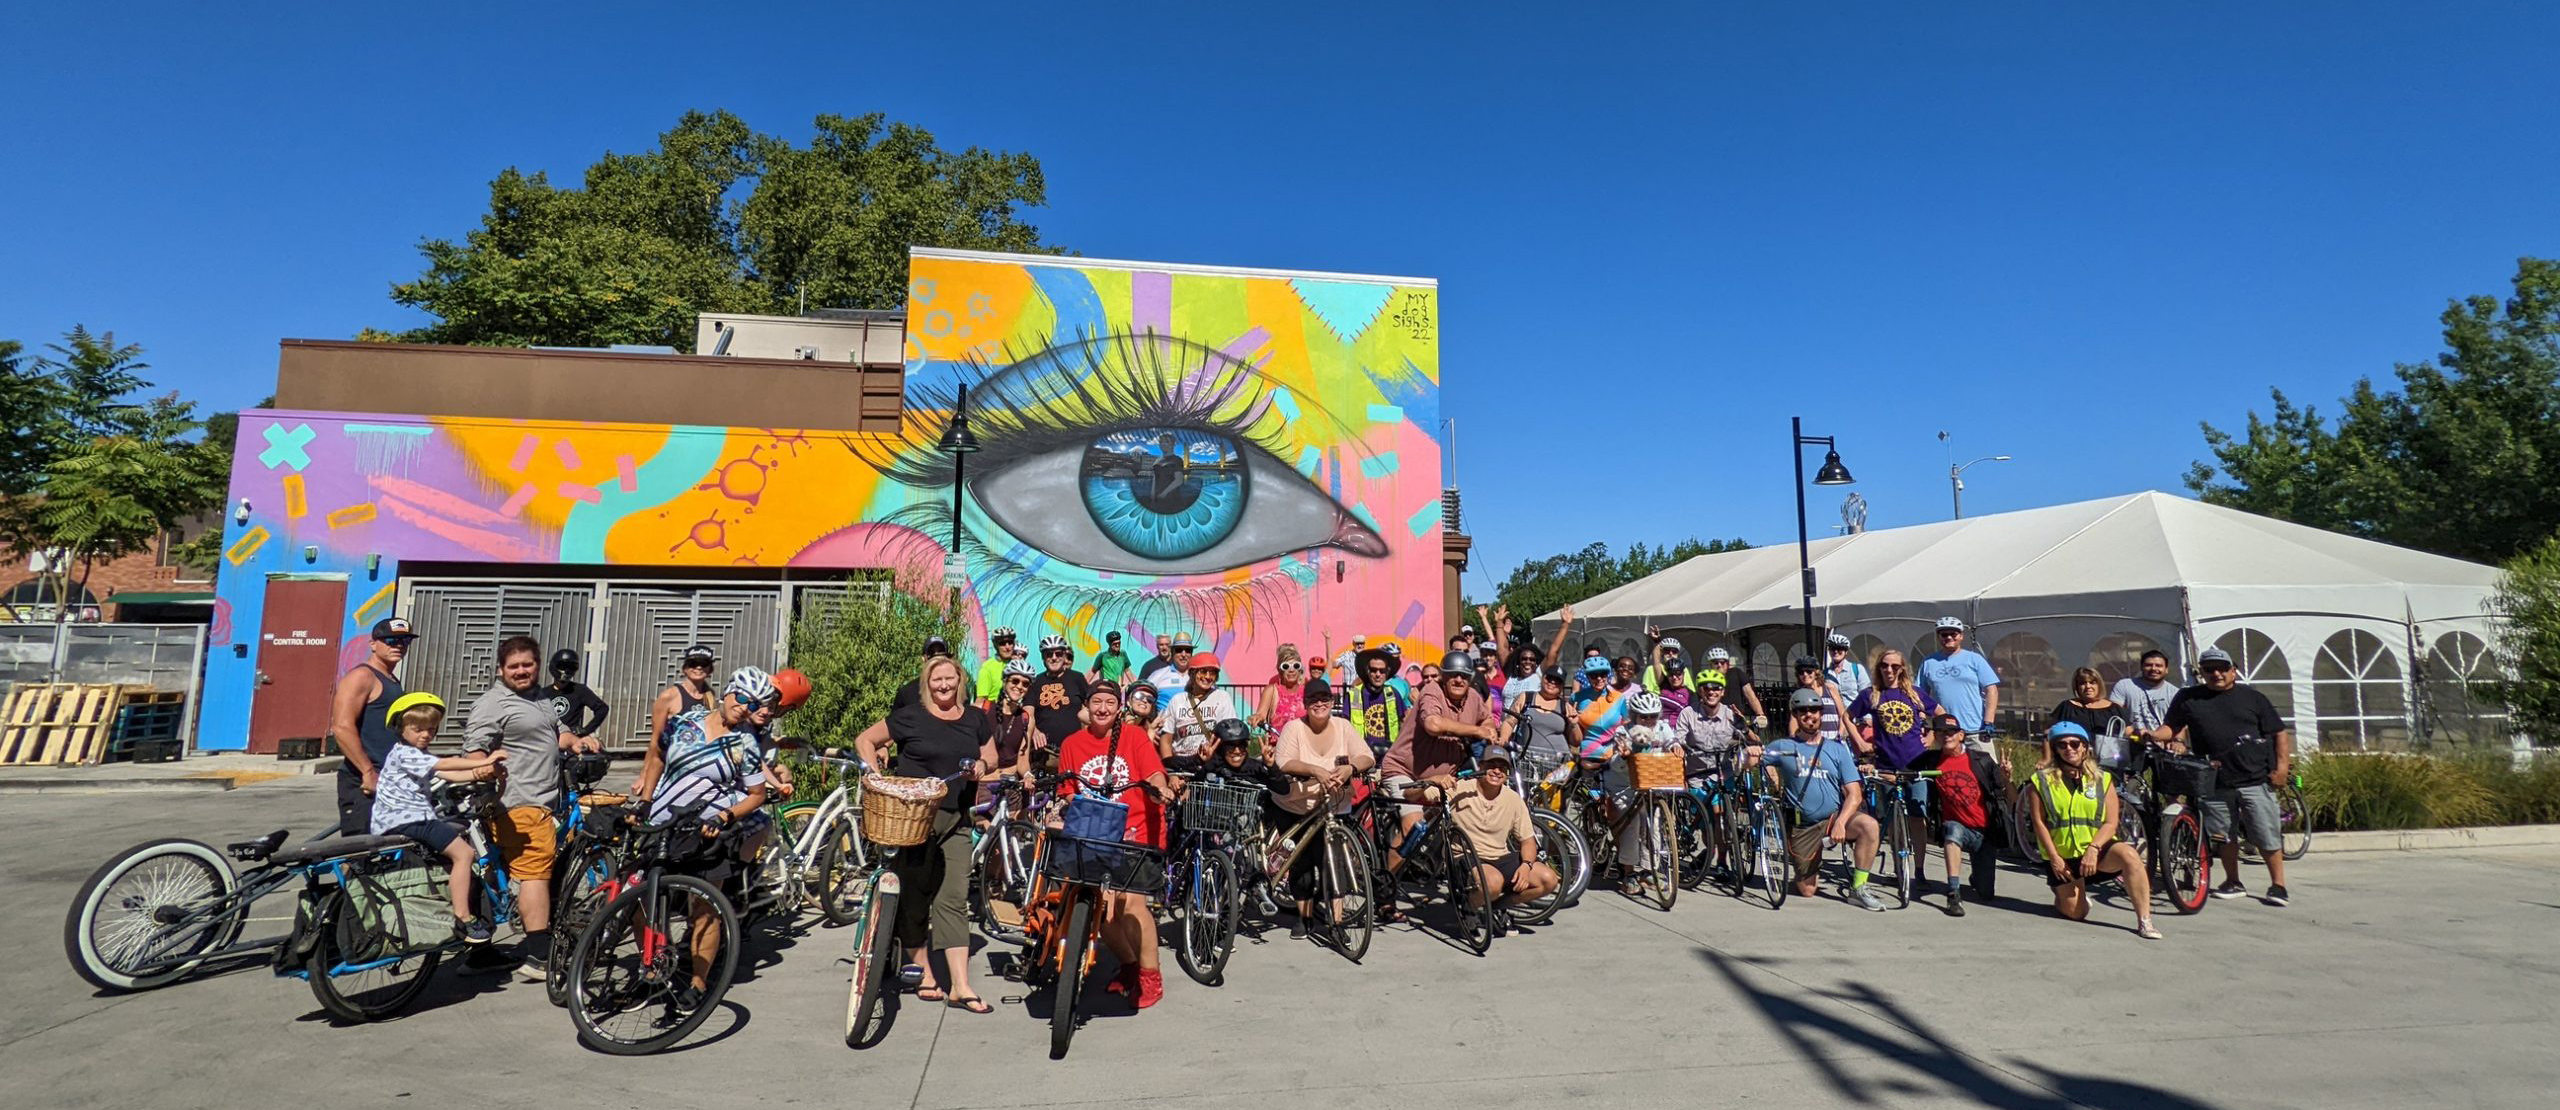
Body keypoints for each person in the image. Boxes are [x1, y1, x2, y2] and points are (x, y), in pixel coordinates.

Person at [853, 654, 998, 1013]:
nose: (944, 685)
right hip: (913, 817)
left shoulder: (974, 718)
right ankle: (925, 973)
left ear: (960, 681)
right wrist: (875, 776)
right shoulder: (911, 716)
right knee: (915, 894)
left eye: (950, 679)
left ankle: (961, 985)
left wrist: (981, 765)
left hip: (956, 818)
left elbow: (990, 756)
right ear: (927, 684)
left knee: (953, 896)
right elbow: (865, 740)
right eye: (937, 680)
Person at [464, 635, 603, 980]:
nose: (522, 671)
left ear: (538, 666)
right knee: (534, 873)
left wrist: (578, 740)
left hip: (544, 798)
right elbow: (474, 751)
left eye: (528, 665)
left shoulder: (541, 697)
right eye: (514, 666)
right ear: (500, 670)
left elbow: (559, 732)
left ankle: (480, 953)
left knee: (498, 873)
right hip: (518, 802)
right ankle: (539, 955)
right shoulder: (493, 703)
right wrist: (484, 768)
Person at [651, 668, 777, 1011]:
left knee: (705, 908)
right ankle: (654, 968)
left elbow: (756, 795)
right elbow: (656, 757)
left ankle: (698, 981)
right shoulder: (684, 722)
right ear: (728, 693)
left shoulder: (745, 743)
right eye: (742, 698)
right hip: (662, 821)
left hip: (706, 829)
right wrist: (644, 799)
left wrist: (725, 816)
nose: (744, 707)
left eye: (754, 704)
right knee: (640, 900)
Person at [1053, 682, 1180, 1008]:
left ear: (1119, 705)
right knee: (1103, 910)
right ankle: (1129, 966)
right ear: (1088, 705)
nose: (1104, 708)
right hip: (1094, 832)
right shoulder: (1072, 743)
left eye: (1110, 702)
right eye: (1097, 701)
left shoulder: (1134, 737)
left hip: (1137, 829)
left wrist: (1159, 788)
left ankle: (1150, 975)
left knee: (1129, 905)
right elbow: (1067, 790)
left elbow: (1153, 773)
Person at [2155, 646, 2293, 906]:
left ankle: (2278, 885)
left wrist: (2282, 768)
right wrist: (2152, 734)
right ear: (2202, 673)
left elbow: (2278, 732)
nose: (2216, 674)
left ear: (2234, 671)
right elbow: (2170, 727)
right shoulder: (2188, 698)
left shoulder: (2253, 698)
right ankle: (2232, 881)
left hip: (2254, 777)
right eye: (2209, 670)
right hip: (2213, 779)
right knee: (2222, 835)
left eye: (2222, 668)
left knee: (2266, 833)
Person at [367, 692, 503, 943]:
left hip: (407, 818)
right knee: (464, 854)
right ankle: (464, 917)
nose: (425, 735)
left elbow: (452, 776)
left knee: (453, 853)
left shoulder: (413, 755)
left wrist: (481, 773)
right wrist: (488, 758)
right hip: (409, 819)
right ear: (400, 728)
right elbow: (445, 765)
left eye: (431, 729)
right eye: (417, 729)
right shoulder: (404, 754)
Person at [1379, 653, 1497, 919]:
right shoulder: (1432, 691)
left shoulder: (1473, 699)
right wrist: (1476, 731)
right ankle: (1386, 894)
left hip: (1445, 777)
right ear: (1443, 676)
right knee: (1414, 828)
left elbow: (1486, 719)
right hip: (1404, 771)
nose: (1458, 680)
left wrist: (1488, 728)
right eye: (1452, 675)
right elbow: (1432, 724)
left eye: (1464, 676)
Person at [1751, 687, 1886, 910]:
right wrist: (1750, 755)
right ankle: (1810, 864)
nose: (1809, 715)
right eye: (1803, 711)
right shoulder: (1784, 747)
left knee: (1869, 826)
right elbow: (1751, 762)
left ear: (1821, 714)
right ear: (1795, 715)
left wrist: (1841, 822)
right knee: (1807, 891)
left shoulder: (1836, 749)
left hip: (1833, 818)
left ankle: (1859, 889)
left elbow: (1854, 793)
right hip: (1803, 826)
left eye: (1814, 710)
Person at [2030, 721, 2164, 940]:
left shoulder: (2102, 779)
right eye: (2062, 745)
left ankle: (2145, 921)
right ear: (2055, 750)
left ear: (2084, 747)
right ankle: (2066, 893)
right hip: (2064, 857)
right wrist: (2054, 857)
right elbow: (2039, 822)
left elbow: (2111, 822)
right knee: (2076, 913)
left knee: (2130, 856)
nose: (2069, 749)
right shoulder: (2041, 781)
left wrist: (2094, 848)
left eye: (2075, 744)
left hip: (2097, 851)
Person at [1267, 678, 1374, 934]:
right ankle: (1304, 918)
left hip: (1333, 805)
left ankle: (1336, 922)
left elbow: (1367, 755)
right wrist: (1315, 770)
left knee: (1333, 862)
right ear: (1305, 704)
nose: (1319, 704)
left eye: (1325, 699)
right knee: (1302, 863)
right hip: (1296, 804)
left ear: (1332, 702)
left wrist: (1350, 767)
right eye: (1313, 700)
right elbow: (1283, 762)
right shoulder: (1294, 728)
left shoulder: (1343, 726)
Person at [1428, 748, 1560, 914]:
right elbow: (1410, 794)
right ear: (1481, 766)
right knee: (1493, 883)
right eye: (1492, 765)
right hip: (1466, 857)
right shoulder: (1459, 788)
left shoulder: (1513, 799)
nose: (1497, 771)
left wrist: (1526, 866)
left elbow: (1528, 841)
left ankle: (1496, 906)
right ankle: (1469, 907)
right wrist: (1434, 779)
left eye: (1502, 768)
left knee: (1548, 880)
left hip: (1500, 857)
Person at [328, 616, 416, 836]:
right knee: (362, 855)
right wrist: (367, 772)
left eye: (405, 641)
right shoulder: (362, 676)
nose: (399, 646)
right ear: (373, 644)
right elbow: (341, 727)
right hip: (364, 781)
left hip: (389, 778)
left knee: (389, 854)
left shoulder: (391, 679)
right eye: (390, 640)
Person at [1924, 711, 1998, 915]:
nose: (1946, 736)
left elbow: (2007, 795)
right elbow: (1902, 771)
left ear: (1961, 735)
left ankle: (1977, 875)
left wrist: (2006, 776)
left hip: (1984, 832)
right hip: (1957, 827)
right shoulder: (1931, 761)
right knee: (1952, 831)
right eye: (1940, 732)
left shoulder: (1981, 760)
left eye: (1951, 731)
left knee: (1985, 893)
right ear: (1935, 736)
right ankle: (1953, 892)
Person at [1918, 617, 2002, 748]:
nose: (1949, 637)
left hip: (1975, 730)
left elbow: (1992, 690)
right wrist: (1922, 720)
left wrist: (1988, 721)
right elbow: (1920, 695)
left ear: (1961, 636)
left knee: (1985, 766)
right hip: (1945, 731)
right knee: (1949, 768)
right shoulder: (1929, 663)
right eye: (1944, 634)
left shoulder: (1974, 659)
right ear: (1938, 637)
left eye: (1954, 634)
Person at [1156, 652, 1241, 769]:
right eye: (1203, 671)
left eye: (1213, 673)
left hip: (1211, 765)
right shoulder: (1178, 701)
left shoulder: (1222, 698)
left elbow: (1230, 735)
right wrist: (1172, 773)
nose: (1207, 676)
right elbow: (1166, 741)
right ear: (1192, 673)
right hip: (1181, 765)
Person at [979, 659, 1040, 808]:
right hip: (985, 784)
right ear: (1005, 681)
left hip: (1012, 785)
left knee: (1013, 830)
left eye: (1025, 684)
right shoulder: (983, 709)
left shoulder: (1026, 719)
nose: (1019, 687)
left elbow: (1022, 758)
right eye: (1015, 681)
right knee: (986, 829)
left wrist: (1027, 775)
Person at [1506, 665, 1583, 779]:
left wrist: (1574, 724)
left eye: (1557, 681)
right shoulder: (1526, 697)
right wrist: (1504, 739)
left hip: (1557, 768)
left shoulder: (1565, 707)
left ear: (1562, 686)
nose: (1552, 682)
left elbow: (1576, 742)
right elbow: (1509, 722)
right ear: (1542, 678)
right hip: (1526, 763)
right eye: (1549, 678)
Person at [1026, 634, 1089, 767]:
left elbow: (1091, 707)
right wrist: (1035, 731)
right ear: (1043, 657)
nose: (1054, 658)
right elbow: (1027, 714)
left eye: (1058, 653)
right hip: (1045, 753)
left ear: (1065, 656)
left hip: (1075, 750)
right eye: (1049, 654)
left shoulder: (1077, 678)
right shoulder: (1036, 682)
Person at [2052, 667, 2133, 765]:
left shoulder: (2114, 708)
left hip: (2108, 761)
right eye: (2083, 683)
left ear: (2099, 685)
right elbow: (2049, 734)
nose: (2088, 686)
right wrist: (2046, 758)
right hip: (2074, 761)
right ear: (2077, 687)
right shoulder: (2066, 707)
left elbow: (2129, 732)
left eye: (2092, 682)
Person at [1343, 647, 1410, 760]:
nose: (1378, 674)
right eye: (1374, 670)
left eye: (1382, 671)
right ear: (1367, 671)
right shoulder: (1353, 695)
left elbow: (1405, 723)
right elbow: (1344, 728)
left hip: (1390, 757)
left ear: (1387, 672)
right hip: (1361, 757)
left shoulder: (1393, 694)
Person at [2109, 649, 2180, 739]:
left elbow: (2178, 725)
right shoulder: (2124, 685)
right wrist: (2134, 733)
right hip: (2131, 740)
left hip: (2161, 742)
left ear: (2166, 670)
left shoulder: (2175, 693)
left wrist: (2155, 736)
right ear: (2141, 667)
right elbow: (2114, 713)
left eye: (2159, 666)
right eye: (2148, 665)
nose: (2154, 669)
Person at [542, 648, 611, 741]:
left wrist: (585, 730)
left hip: (569, 743)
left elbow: (602, 708)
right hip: (547, 740)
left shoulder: (579, 690)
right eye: (563, 666)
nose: (566, 671)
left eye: (571, 668)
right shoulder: (542, 693)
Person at [1699, 645, 1767, 730]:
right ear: (1710, 665)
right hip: (1714, 720)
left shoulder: (1736, 673)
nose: (1719, 665)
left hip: (1737, 718)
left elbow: (1750, 695)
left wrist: (1760, 714)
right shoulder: (1706, 678)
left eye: (1722, 662)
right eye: (1716, 663)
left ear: (1727, 663)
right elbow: (1701, 699)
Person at [1793, 656, 1856, 742]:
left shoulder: (1829, 688)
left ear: (1816, 672)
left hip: (1834, 740)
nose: (1805, 674)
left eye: (1809, 671)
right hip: (1813, 742)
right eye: (1801, 672)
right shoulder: (1799, 695)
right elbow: (1794, 720)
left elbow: (1842, 713)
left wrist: (1840, 734)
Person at [1254, 643, 1311, 736]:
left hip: (1302, 746)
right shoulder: (1272, 691)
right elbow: (1261, 714)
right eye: (1286, 666)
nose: (1291, 670)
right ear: (1280, 670)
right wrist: (1256, 718)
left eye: (1295, 666)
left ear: (1300, 669)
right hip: (1278, 746)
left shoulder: (1307, 691)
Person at [976, 626, 1021, 702]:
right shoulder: (987, 668)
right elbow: (981, 700)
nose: (1007, 647)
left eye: (1010, 642)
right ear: (995, 645)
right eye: (1002, 643)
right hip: (995, 710)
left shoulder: (1019, 665)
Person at [1824, 632, 1870, 697]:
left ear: (1846, 652)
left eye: (1840, 648)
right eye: (1833, 648)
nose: (1836, 651)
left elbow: (1866, 694)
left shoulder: (1857, 669)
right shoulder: (1825, 674)